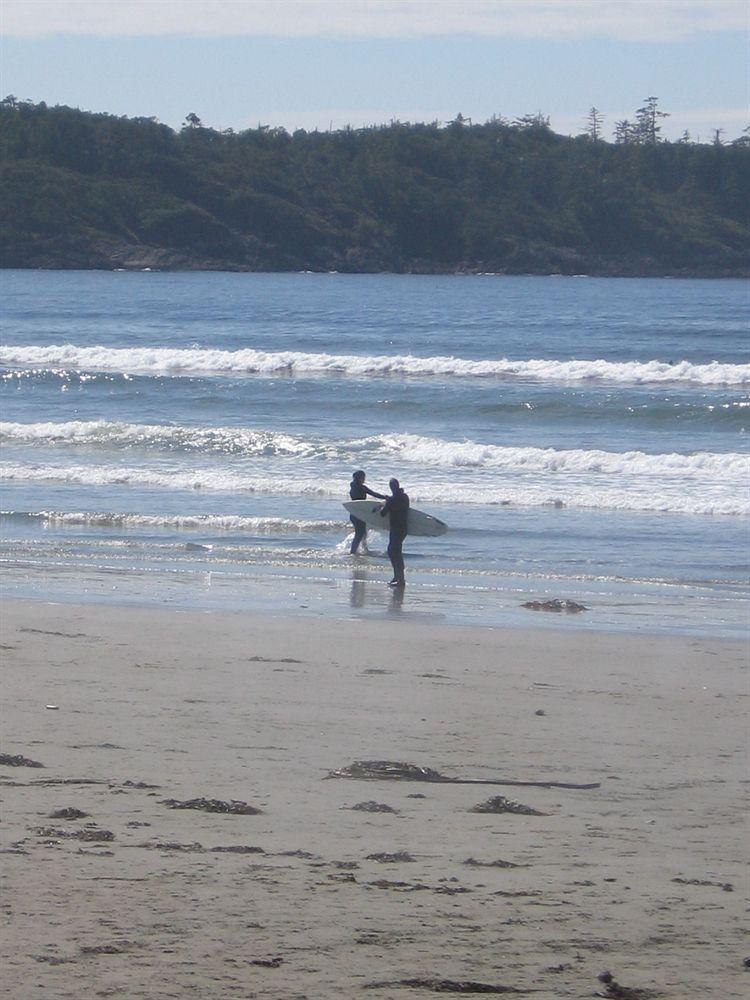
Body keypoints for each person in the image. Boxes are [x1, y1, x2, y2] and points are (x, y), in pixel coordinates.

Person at [348, 470, 386, 555]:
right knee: (360, 533)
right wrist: (386, 497)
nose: (364, 479)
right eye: (363, 477)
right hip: (359, 514)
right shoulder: (361, 487)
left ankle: (364, 549)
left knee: (362, 532)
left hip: (354, 513)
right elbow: (374, 494)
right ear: (360, 478)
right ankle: (353, 552)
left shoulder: (353, 486)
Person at [381, 478, 409, 587]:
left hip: (396, 528)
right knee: (396, 552)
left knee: (393, 552)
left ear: (391, 487)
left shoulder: (392, 500)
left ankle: (400, 579)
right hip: (403, 528)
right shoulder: (405, 497)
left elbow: (383, 514)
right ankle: (398, 577)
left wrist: (386, 503)